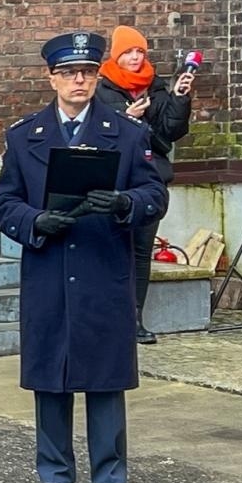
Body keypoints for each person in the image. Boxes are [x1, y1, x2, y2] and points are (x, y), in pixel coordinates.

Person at [0, 31, 168, 483]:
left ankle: (111, 475)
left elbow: (155, 196)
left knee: (106, 376)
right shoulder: (25, 136)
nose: (79, 81)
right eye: (69, 73)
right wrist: (34, 221)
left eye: (87, 72)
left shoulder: (127, 134)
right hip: (49, 267)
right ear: (52, 78)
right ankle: (54, 472)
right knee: (50, 375)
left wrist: (125, 202)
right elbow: (4, 201)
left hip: (101, 265)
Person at [95, 25, 194, 343]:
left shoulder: (157, 87)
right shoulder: (102, 90)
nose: (136, 58)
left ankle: (134, 320)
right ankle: (107, 317)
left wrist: (180, 98)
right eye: (129, 52)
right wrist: (127, 118)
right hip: (114, 181)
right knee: (111, 251)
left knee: (141, 252)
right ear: (117, 56)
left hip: (149, 179)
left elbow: (170, 132)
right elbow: (97, 133)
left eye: (140, 52)